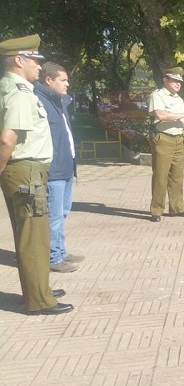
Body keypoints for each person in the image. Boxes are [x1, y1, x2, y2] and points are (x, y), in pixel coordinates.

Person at [0, 34, 72, 315]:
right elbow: (7, 139)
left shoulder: (18, 88)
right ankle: (38, 300)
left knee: (36, 234)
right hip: (26, 170)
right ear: (19, 60)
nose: (39, 67)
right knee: (33, 236)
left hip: (29, 170)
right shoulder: (18, 91)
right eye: (34, 60)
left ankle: (39, 288)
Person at [34, 62, 85, 273]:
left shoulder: (58, 101)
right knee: (53, 215)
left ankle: (60, 251)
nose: (67, 84)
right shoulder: (40, 101)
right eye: (63, 80)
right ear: (49, 80)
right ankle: (53, 258)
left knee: (62, 211)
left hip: (66, 166)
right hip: (53, 169)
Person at [148, 66, 184, 222]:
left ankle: (177, 208)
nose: (178, 84)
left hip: (178, 139)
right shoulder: (157, 95)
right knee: (161, 176)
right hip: (164, 138)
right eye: (175, 80)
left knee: (177, 176)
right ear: (165, 80)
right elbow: (160, 114)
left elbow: (181, 119)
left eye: (180, 82)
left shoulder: (179, 99)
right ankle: (156, 210)